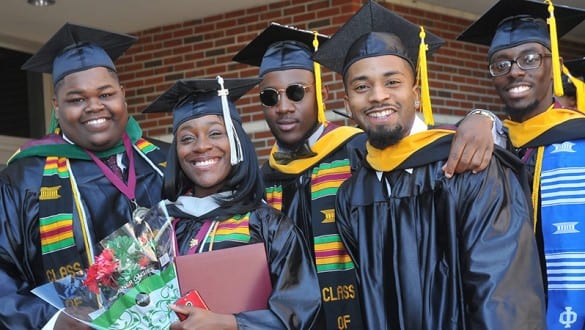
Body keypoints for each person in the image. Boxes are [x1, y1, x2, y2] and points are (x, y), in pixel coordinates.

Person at [232, 22, 499, 330]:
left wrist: (483, 118)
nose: (283, 107)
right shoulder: (261, 181)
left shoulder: (363, 150)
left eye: (296, 92)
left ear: (322, 93)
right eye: (269, 97)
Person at [313, 1, 546, 329]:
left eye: (392, 82)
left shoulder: (470, 167)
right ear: (348, 102)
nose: (378, 96)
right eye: (362, 86)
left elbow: (505, 301)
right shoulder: (353, 194)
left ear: (417, 93)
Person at [0, 23, 168, 329]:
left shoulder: (163, 160)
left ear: (123, 95)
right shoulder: (25, 177)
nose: (94, 106)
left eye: (105, 94)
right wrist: (52, 320)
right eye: (77, 99)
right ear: (56, 106)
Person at [142, 77, 322, 329]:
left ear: (237, 142)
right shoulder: (156, 227)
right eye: (186, 139)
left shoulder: (268, 225)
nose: (202, 146)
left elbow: (300, 313)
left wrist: (231, 324)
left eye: (215, 133)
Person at [457, 1, 585, 328]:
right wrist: (479, 116)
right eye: (501, 64)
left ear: (553, 65)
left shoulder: (581, 139)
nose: (515, 71)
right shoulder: (487, 143)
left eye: (530, 59)